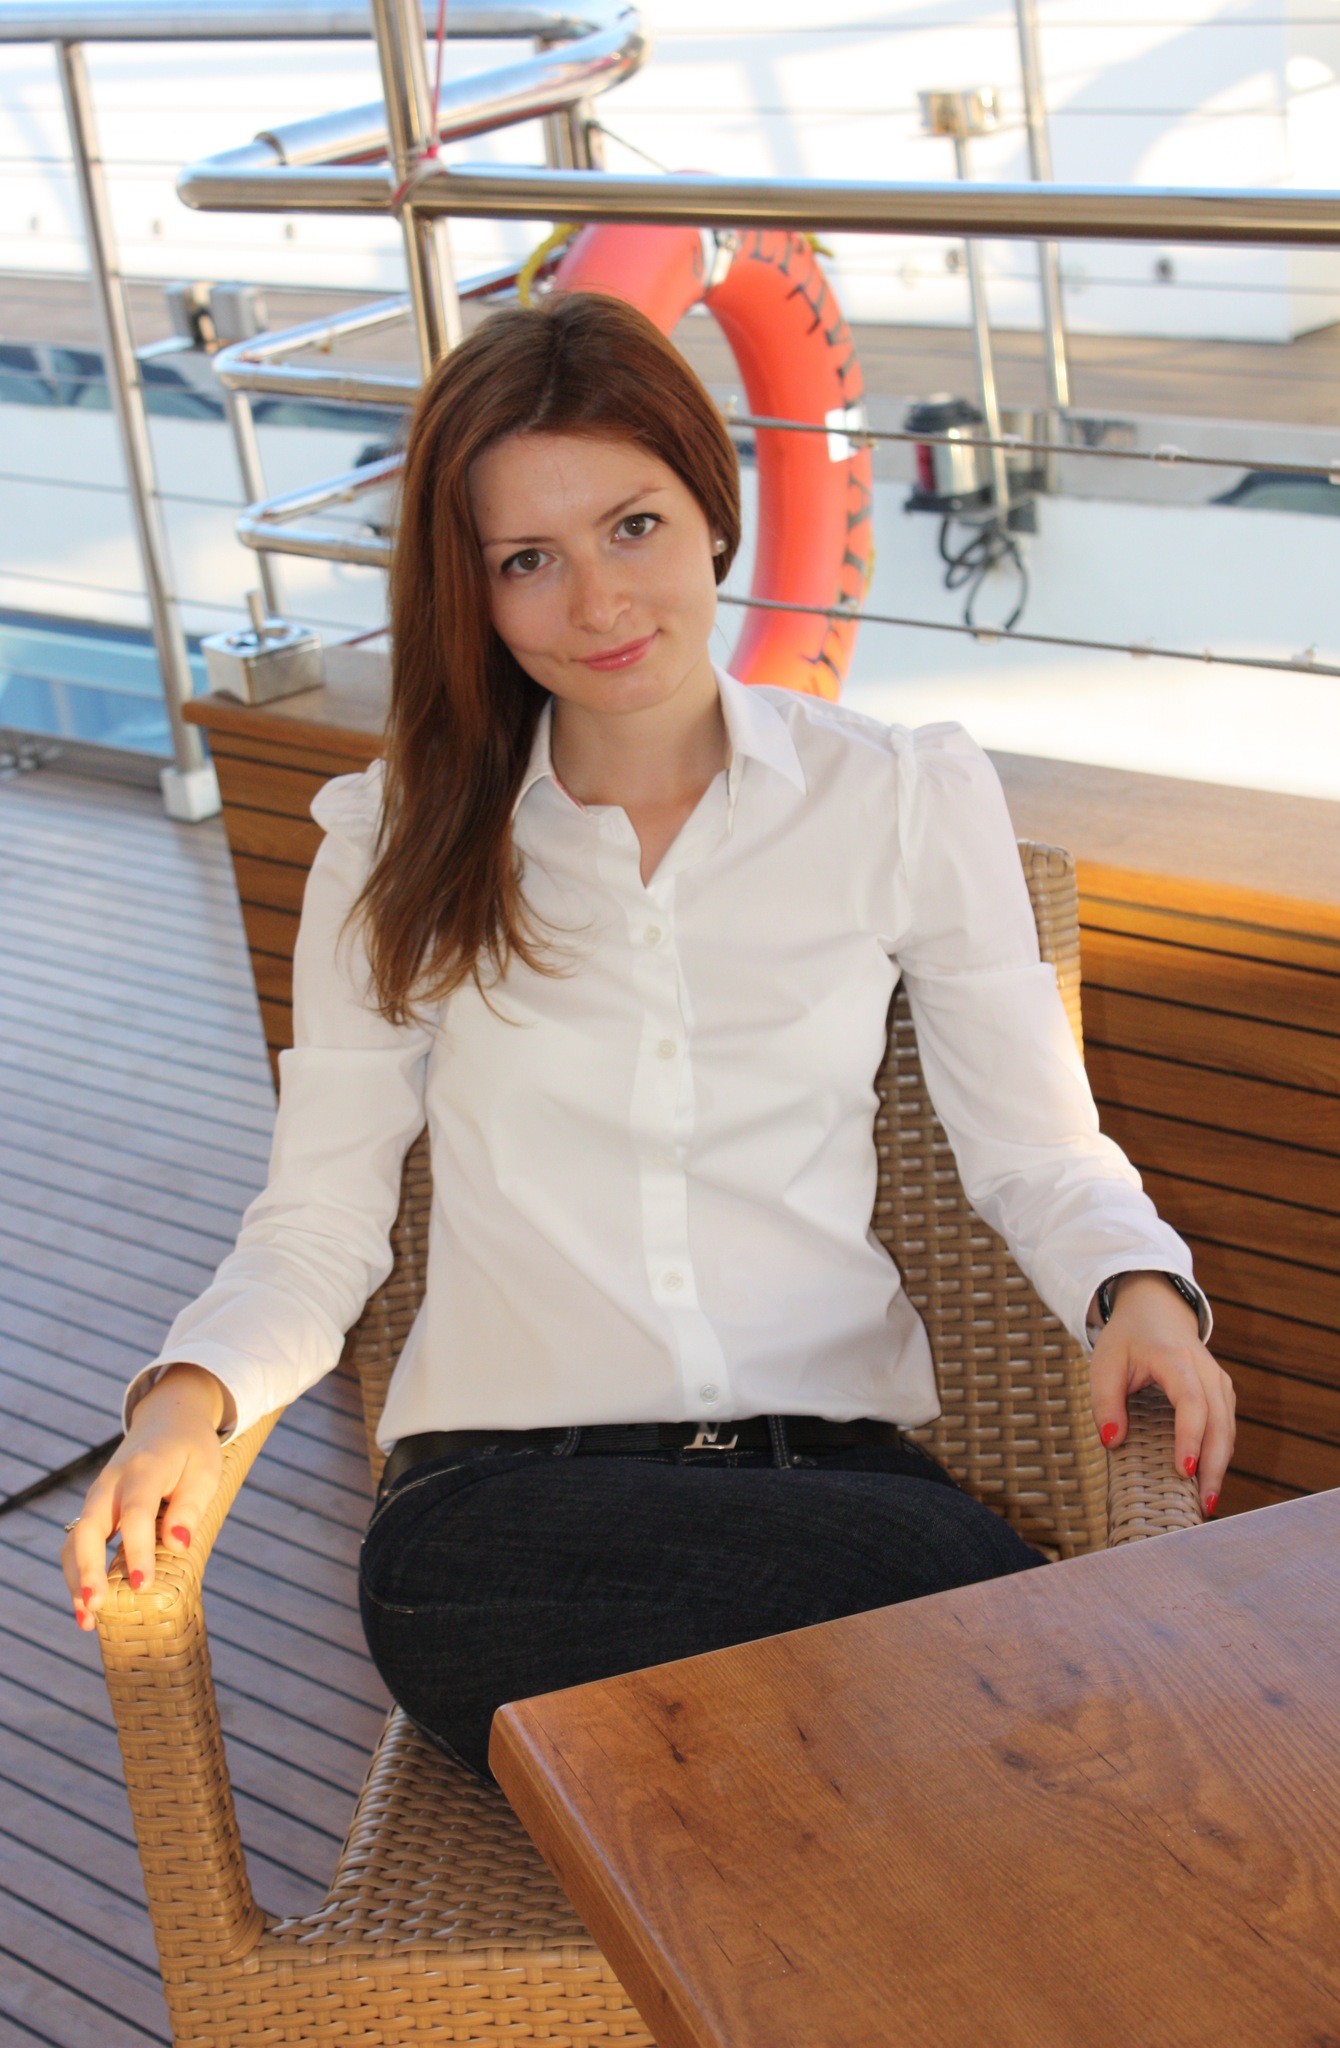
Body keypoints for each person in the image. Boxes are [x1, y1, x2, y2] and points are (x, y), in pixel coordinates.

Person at [61, 293, 1235, 1779]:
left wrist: (1137, 1287)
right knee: (1030, 1701)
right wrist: (190, 1394)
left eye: (633, 527)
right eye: (527, 561)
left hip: (833, 1492)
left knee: (919, 1741)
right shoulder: (393, 844)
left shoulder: (897, 796)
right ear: (473, 592)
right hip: (499, 1539)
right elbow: (320, 1222)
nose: (599, 603)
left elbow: (1035, 1147)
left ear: (713, 509)